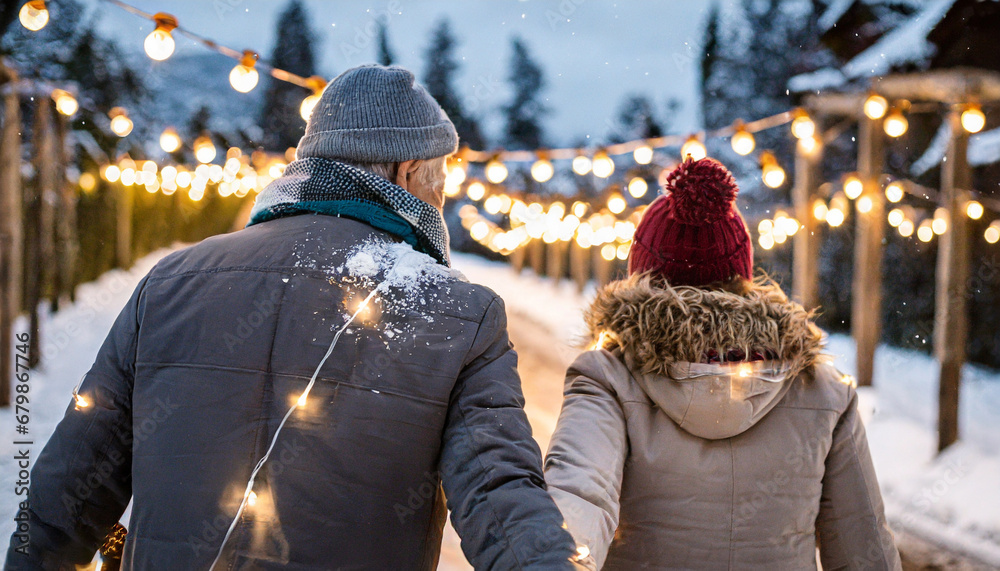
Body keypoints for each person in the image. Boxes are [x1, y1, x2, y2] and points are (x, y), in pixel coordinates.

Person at [7, 65, 579, 570]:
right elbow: (498, 493)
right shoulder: (459, 312)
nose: (443, 198)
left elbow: (67, 493)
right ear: (407, 173)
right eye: (440, 178)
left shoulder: (171, 282)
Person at [544, 157, 902, 570]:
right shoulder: (823, 391)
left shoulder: (607, 377)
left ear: (640, 274)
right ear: (742, 274)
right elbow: (864, 547)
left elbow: (578, 496)